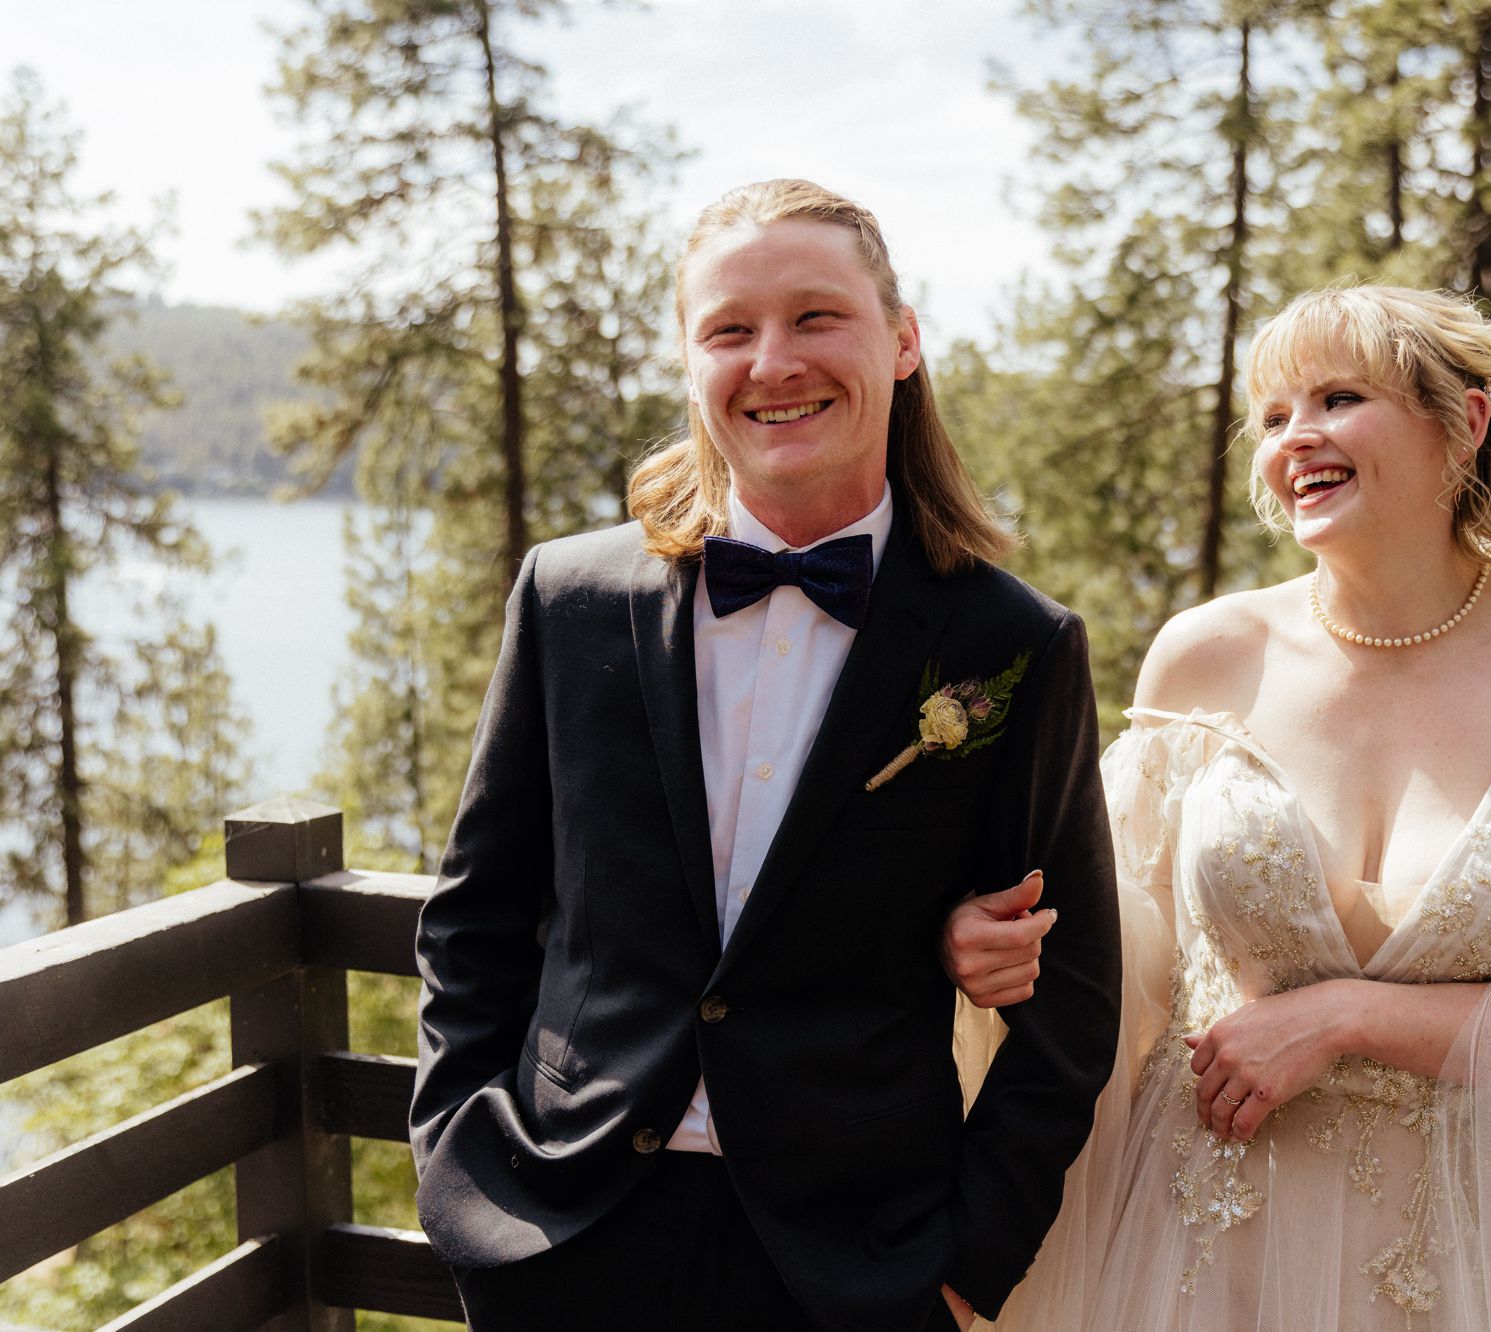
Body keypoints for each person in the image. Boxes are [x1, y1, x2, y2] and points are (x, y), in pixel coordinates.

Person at [945, 285, 1491, 1330]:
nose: (1296, 437)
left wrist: (1349, 1019)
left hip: (1475, 1263)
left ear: (1464, 424)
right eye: (1272, 415)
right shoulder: (1205, 655)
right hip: (1199, 1252)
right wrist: (1001, 944)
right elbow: (1119, 945)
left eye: (1337, 398)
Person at [409, 178, 1122, 1332]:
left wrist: (962, 1257)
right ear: (691, 366)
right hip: (564, 1234)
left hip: (850, 1267)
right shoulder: (571, 597)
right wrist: (464, 1178)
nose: (772, 360)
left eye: (815, 317)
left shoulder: (1009, 643)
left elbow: (1074, 994)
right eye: (729, 330)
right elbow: (474, 919)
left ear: (901, 343)